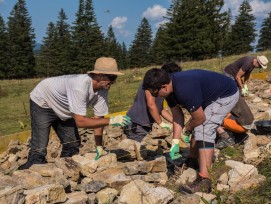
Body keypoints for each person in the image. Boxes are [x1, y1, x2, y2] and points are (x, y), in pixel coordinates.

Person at [19, 57, 131, 170]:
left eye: (115, 77)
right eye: (111, 77)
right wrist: (111, 120)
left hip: (64, 108)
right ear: (98, 75)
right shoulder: (80, 86)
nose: (113, 81)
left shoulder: (103, 89)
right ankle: (24, 176)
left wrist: (99, 147)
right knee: (39, 149)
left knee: (72, 144)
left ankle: (64, 172)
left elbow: (99, 119)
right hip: (43, 102)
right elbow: (80, 122)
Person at [142, 68, 239, 194]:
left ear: (164, 87)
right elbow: (177, 116)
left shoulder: (184, 89)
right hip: (209, 96)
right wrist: (175, 142)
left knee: (204, 127)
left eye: (155, 94)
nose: (155, 97)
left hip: (226, 94)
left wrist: (186, 130)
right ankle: (192, 159)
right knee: (197, 125)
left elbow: (199, 118)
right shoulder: (170, 90)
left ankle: (205, 180)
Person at [124, 63, 182, 142]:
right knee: (137, 148)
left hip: (144, 124)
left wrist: (174, 122)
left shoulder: (162, 89)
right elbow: (151, 104)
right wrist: (160, 123)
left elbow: (160, 109)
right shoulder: (151, 84)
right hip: (137, 123)